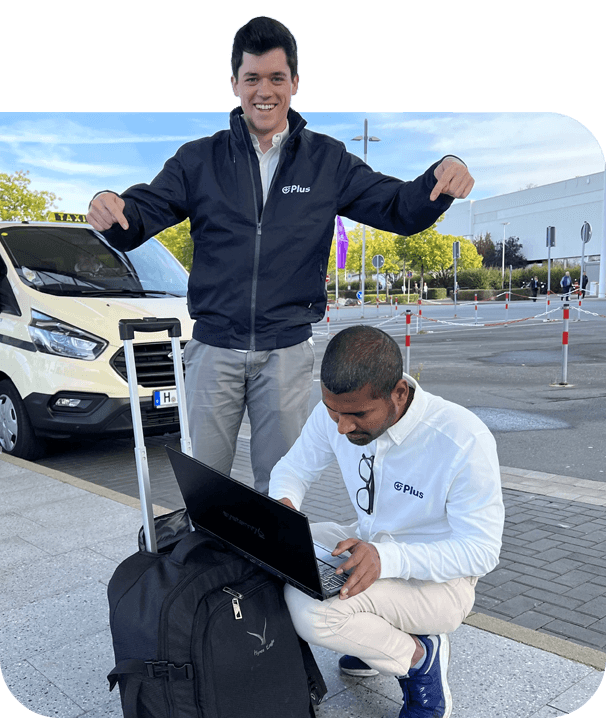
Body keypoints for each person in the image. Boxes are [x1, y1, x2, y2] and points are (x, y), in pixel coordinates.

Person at [85, 16, 474, 494]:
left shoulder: (327, 161)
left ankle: (272, 572)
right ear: (234, 83)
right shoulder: (198, 160)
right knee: (201, 485)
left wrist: (442, 173)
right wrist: (112, 206)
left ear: (294, 82)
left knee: (281, 486)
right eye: (252, 79)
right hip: (212, 350)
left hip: (286, 352)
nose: (263, 91)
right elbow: (141, 214)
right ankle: (205, 566)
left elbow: (397, 207)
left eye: (275, 78)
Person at [269, 326, 504, 718]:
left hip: (439, 583)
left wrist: (386, 558)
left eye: (357, 415)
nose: (342, 427)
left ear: (398, 393)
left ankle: (417, 656)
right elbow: (293, 468)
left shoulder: (462, 439)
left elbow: (481, 552)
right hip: (368, 545)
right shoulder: (341, 409)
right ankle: (373, 641)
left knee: (312, 612)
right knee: (278, 554)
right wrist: (283, 508)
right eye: (333, 412)